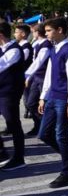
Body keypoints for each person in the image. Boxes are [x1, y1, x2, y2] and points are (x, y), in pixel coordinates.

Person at [37, 18, 68, 188]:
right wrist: (43, 96)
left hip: (64, 98)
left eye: (49, 30)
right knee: (44, 134)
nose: (46, 33)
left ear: (59, 30)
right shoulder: (54, 49)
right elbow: (50, 74)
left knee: (61, 135)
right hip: (52, 96)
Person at [0, 21, 27, 171]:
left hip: (9, 93)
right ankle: (1, 152)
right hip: (1, 91)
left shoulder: (14, 50)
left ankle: (19, 157)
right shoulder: (2, 48)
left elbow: (2, 64)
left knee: (13, 124)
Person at [23, 23, 52, 137]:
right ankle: (39, 124)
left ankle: (47, 127)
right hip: (36, 77)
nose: (32, 33)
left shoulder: (45, 45)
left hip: (43, 77)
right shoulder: (36, 43)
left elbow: (38, 62)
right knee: (31, 103)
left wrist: (26, 75)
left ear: (37, 32)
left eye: (33, 31)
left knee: (45, 103)